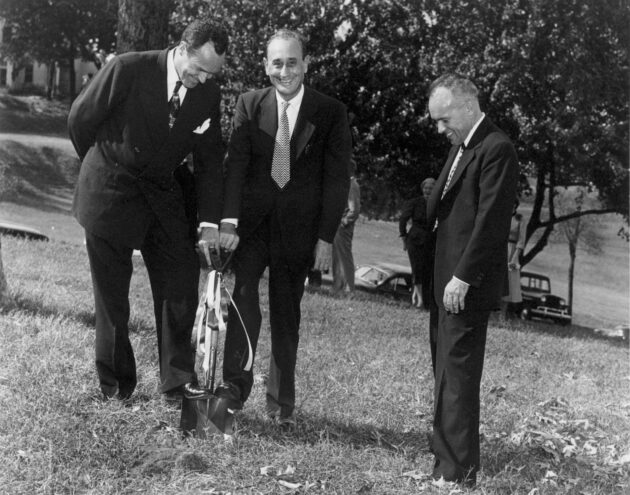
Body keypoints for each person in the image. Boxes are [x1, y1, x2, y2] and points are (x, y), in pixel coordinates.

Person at [67, 17, 229, 401]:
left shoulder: (209, 94)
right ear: (182, 48)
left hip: (162, 195)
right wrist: (102, 169)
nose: (205, 79)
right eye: (200, 69)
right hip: (111, 191)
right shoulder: (128, 67)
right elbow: (79, 120)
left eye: (213, 73)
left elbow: (208, 163)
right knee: (112, 296)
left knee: (180, 278)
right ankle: (116, 385)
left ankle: (177, 383)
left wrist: (208, 222)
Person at [215, 29, 352, 427]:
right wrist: (229, 221)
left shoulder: (330, 112)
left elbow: (336, 180)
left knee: (286, 314)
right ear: (265, 66)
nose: (284, 70)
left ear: (305, 64)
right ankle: (233, 389)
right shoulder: (249, 104)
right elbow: (235, 167)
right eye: (276, 62)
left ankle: (280, 405)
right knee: (243, 302)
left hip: (300, 232)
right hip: (253, 229)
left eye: (292, 62)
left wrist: (326, 237)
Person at [425, 73, 518, 486]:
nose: (440, 129)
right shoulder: (464, 146)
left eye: (444, 119)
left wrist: (462, 276)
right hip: (444, 279)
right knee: (444, 370)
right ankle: (444, 459)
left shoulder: (496, 148)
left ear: (467, 105)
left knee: (458, 375)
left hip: (464, 284)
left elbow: (491, 222)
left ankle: (458, 472)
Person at [399, 177, 436, 308]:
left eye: (431, 188)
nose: (428, 190)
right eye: (426, 188)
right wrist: (403, 235)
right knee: (417, 269)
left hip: (431, 241)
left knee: (427, 270)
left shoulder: (437, 204)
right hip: (415, 239)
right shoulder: (415, 202)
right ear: (422, 189)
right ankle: (419, 300)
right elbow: (403, 219)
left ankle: (420, 298)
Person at [331, 164, 361, 293]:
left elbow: (354, 209)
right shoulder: (347, 183)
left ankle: (348, 287)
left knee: (343, 256)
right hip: (339, 224)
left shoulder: (351, 184)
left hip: (343, 226)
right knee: (337, 257)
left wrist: (344, 222)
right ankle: (338, 285)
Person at [501, 199, 527, 318]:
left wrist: (514, 258)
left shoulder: (520, 219)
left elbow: (521, 241)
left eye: (514, 206)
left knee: (509, 283)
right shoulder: (502, 216)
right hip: (500, 249)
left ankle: (503, 314)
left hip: (512, 251)